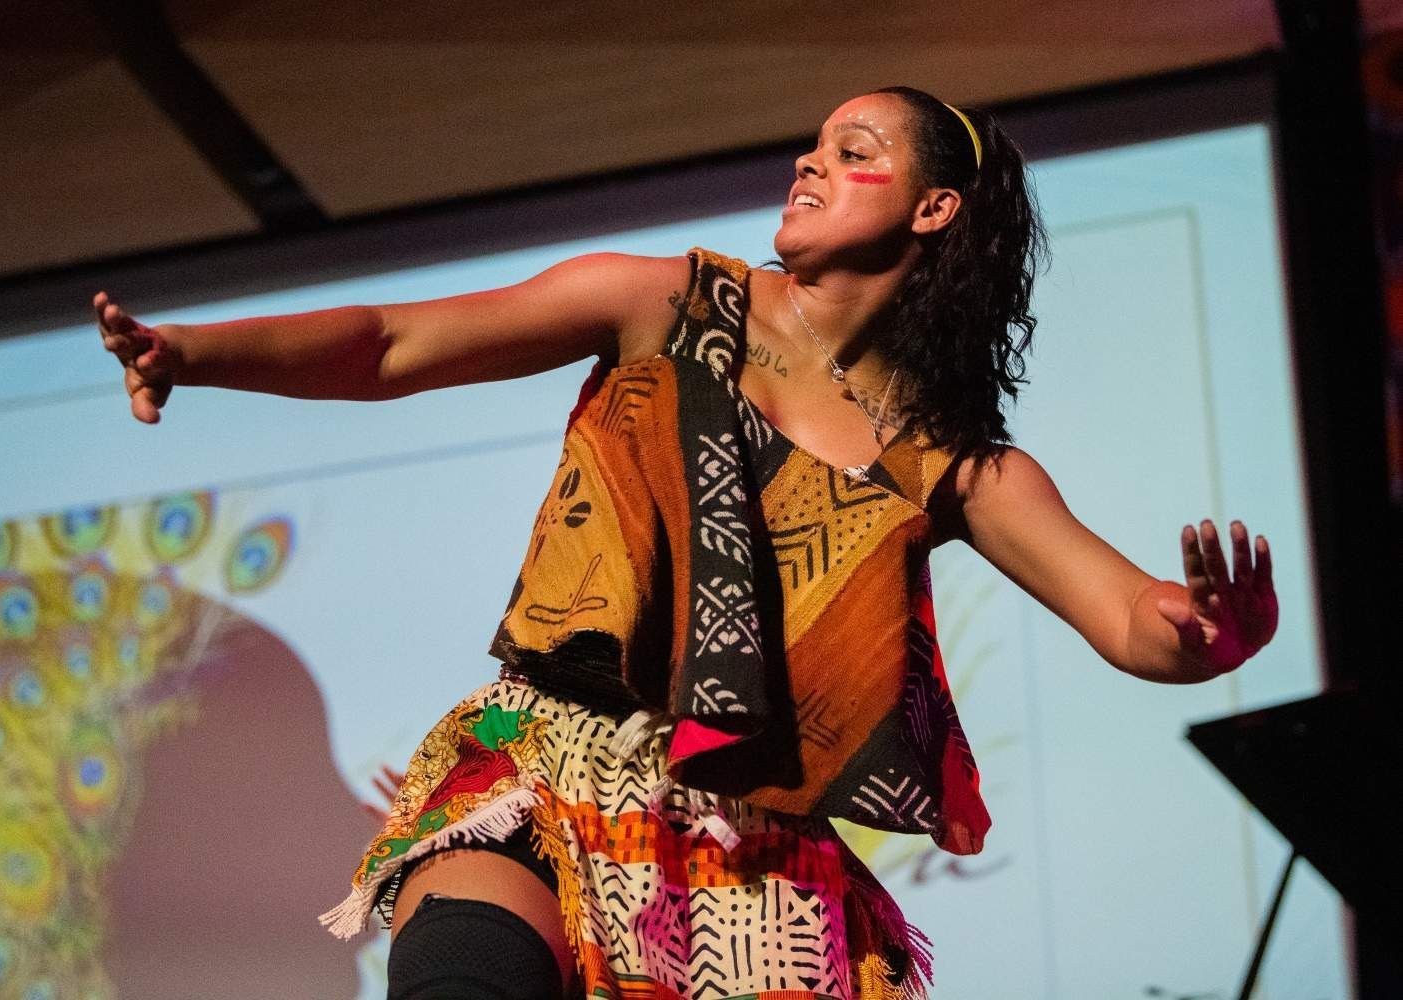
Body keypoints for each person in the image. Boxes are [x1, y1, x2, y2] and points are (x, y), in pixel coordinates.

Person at [94, 85, 1280, 1000]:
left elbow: (1134, 620)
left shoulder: (954, 461)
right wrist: (196, 355)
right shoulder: (661, 303)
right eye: (816, 143)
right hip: (545, 761)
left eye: (855, 151)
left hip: (751, 855)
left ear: (933, 210)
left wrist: (1213, 633)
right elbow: (394, 342)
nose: (814, 160)